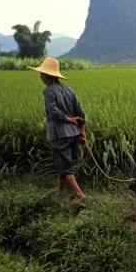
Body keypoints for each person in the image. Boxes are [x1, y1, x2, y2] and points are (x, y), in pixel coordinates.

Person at [28, 57, 86, 200]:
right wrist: (82, 132)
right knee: (64, 162)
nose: (40, 76)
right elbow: (81, 113)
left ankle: (80, 195)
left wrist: (68, 119)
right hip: (73, 133)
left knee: (65, 167)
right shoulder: (69, 89)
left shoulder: (48, 91)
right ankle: (59, 190)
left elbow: (53, 112)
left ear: (46, 75)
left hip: (59, 134)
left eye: (41, 74)